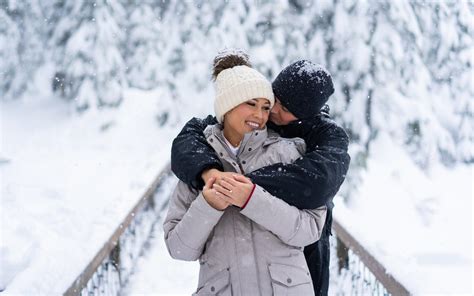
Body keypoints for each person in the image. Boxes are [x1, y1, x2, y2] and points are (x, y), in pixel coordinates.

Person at [171, 54, 350, 295]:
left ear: (302, 117)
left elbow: (317, 184)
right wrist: (210, 176)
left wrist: (245, 188)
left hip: (307, 258)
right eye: (271, 99)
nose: (269, 111)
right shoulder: (212, 146)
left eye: (279, 107)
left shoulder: (320, 138)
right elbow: (191, 138)